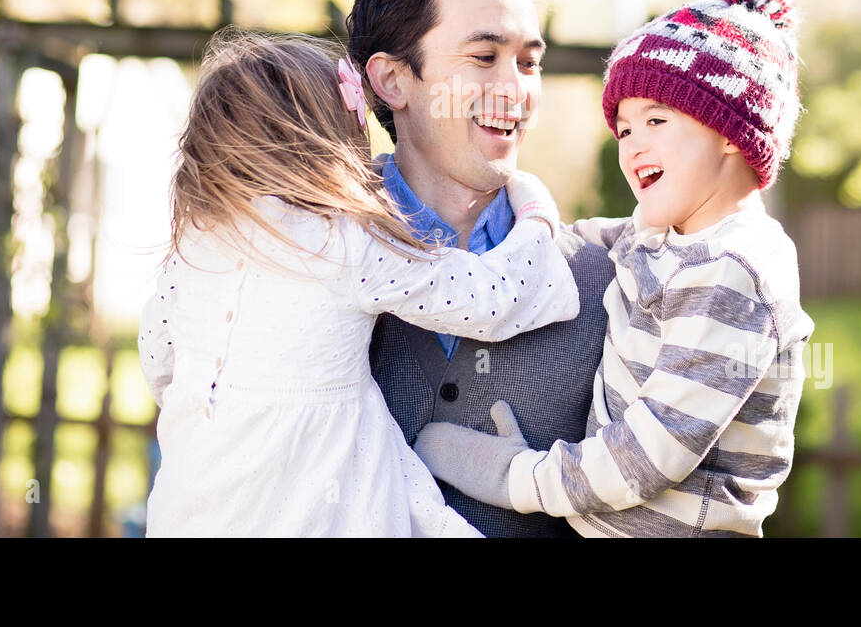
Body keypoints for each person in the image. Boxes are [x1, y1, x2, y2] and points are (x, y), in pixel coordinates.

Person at [414, 0, 815, 537]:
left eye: (656, 121)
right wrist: (523, 203)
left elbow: (652, 454)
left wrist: (521, 479)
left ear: (730, 131)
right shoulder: (665, 234)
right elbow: (578, 239)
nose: (633, 147)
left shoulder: (734, 271)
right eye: (624, 130)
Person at [137, 30, 580, 536]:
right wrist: (536, 221)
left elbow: (159, 361)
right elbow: (488, 298)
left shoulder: (195, 244)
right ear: (331, 140)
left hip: (192, 507)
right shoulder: (342, 241)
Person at [346, 0, 617, 537]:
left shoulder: (601, 285)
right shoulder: (311, 260)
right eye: (484, 56)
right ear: (393, 80)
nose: (515, 90)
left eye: (528, 62)